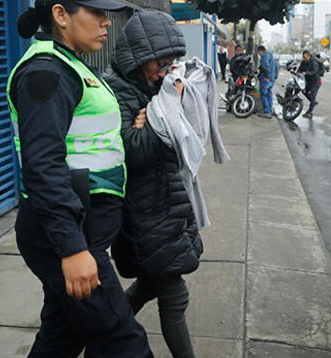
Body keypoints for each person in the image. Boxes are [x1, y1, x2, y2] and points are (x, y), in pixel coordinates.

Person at [7, 1, 153, 357]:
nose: (107, 23)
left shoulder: (69, 65)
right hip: (69, 233)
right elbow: (42, 167)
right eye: (97, 14)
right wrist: (72, 248)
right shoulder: (46, 73)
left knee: (62, 336)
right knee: (123, 341)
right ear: (60, 15)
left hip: (80, 227)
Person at [103, 10, 203, 358]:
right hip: (142, 212)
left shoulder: (148, 86)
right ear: (139, 57)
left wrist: (160, 117)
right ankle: (104, 337)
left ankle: (101, 337)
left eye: (170, 63)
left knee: (149, 285)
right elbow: (129, 150)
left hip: (160, 203)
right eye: (159, 63)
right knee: (174, 295)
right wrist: (162, 124)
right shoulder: (116, 90)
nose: (164, 71)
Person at [298, 50, 322, 119]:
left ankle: (310, 111)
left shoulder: (314, 62)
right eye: (303, 57)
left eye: (305, 57)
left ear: (309, 56)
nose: (304, 58)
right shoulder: (303, 62)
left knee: (313, 95)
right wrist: (298, 73)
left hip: (316, 82)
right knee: (304, 91)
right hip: (308, 81)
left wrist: (307, 73)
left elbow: (315, 71)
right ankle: (313, 102)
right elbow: (299, 69)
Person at [257, 45, 278, 118]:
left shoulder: (264, 56)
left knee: (263, 95)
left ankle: (267, 112)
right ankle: (270, 110)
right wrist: (275, 77)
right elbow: (277, 67)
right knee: (269, 94)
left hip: (265, 79)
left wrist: (266, 77)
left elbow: (265, 66)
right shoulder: (272, 56)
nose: (259, 55)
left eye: (259, 53)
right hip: (271, 80)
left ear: (260, 51)